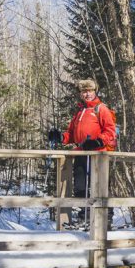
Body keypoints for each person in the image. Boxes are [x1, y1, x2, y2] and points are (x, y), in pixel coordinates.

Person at [48, 79, 117, 225]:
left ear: (95, 91)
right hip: (80, 153)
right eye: (84, 91)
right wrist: (60, 137)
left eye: (90, 91)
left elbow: (110, 131)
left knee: (99, 185)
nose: (87, 94)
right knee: (80, 186)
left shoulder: (101, 109)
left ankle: (106, 216)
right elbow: (71, 135)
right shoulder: (79, 112)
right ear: (80, 94)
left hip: (98, 154)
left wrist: (97, 141)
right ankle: (85, 214)